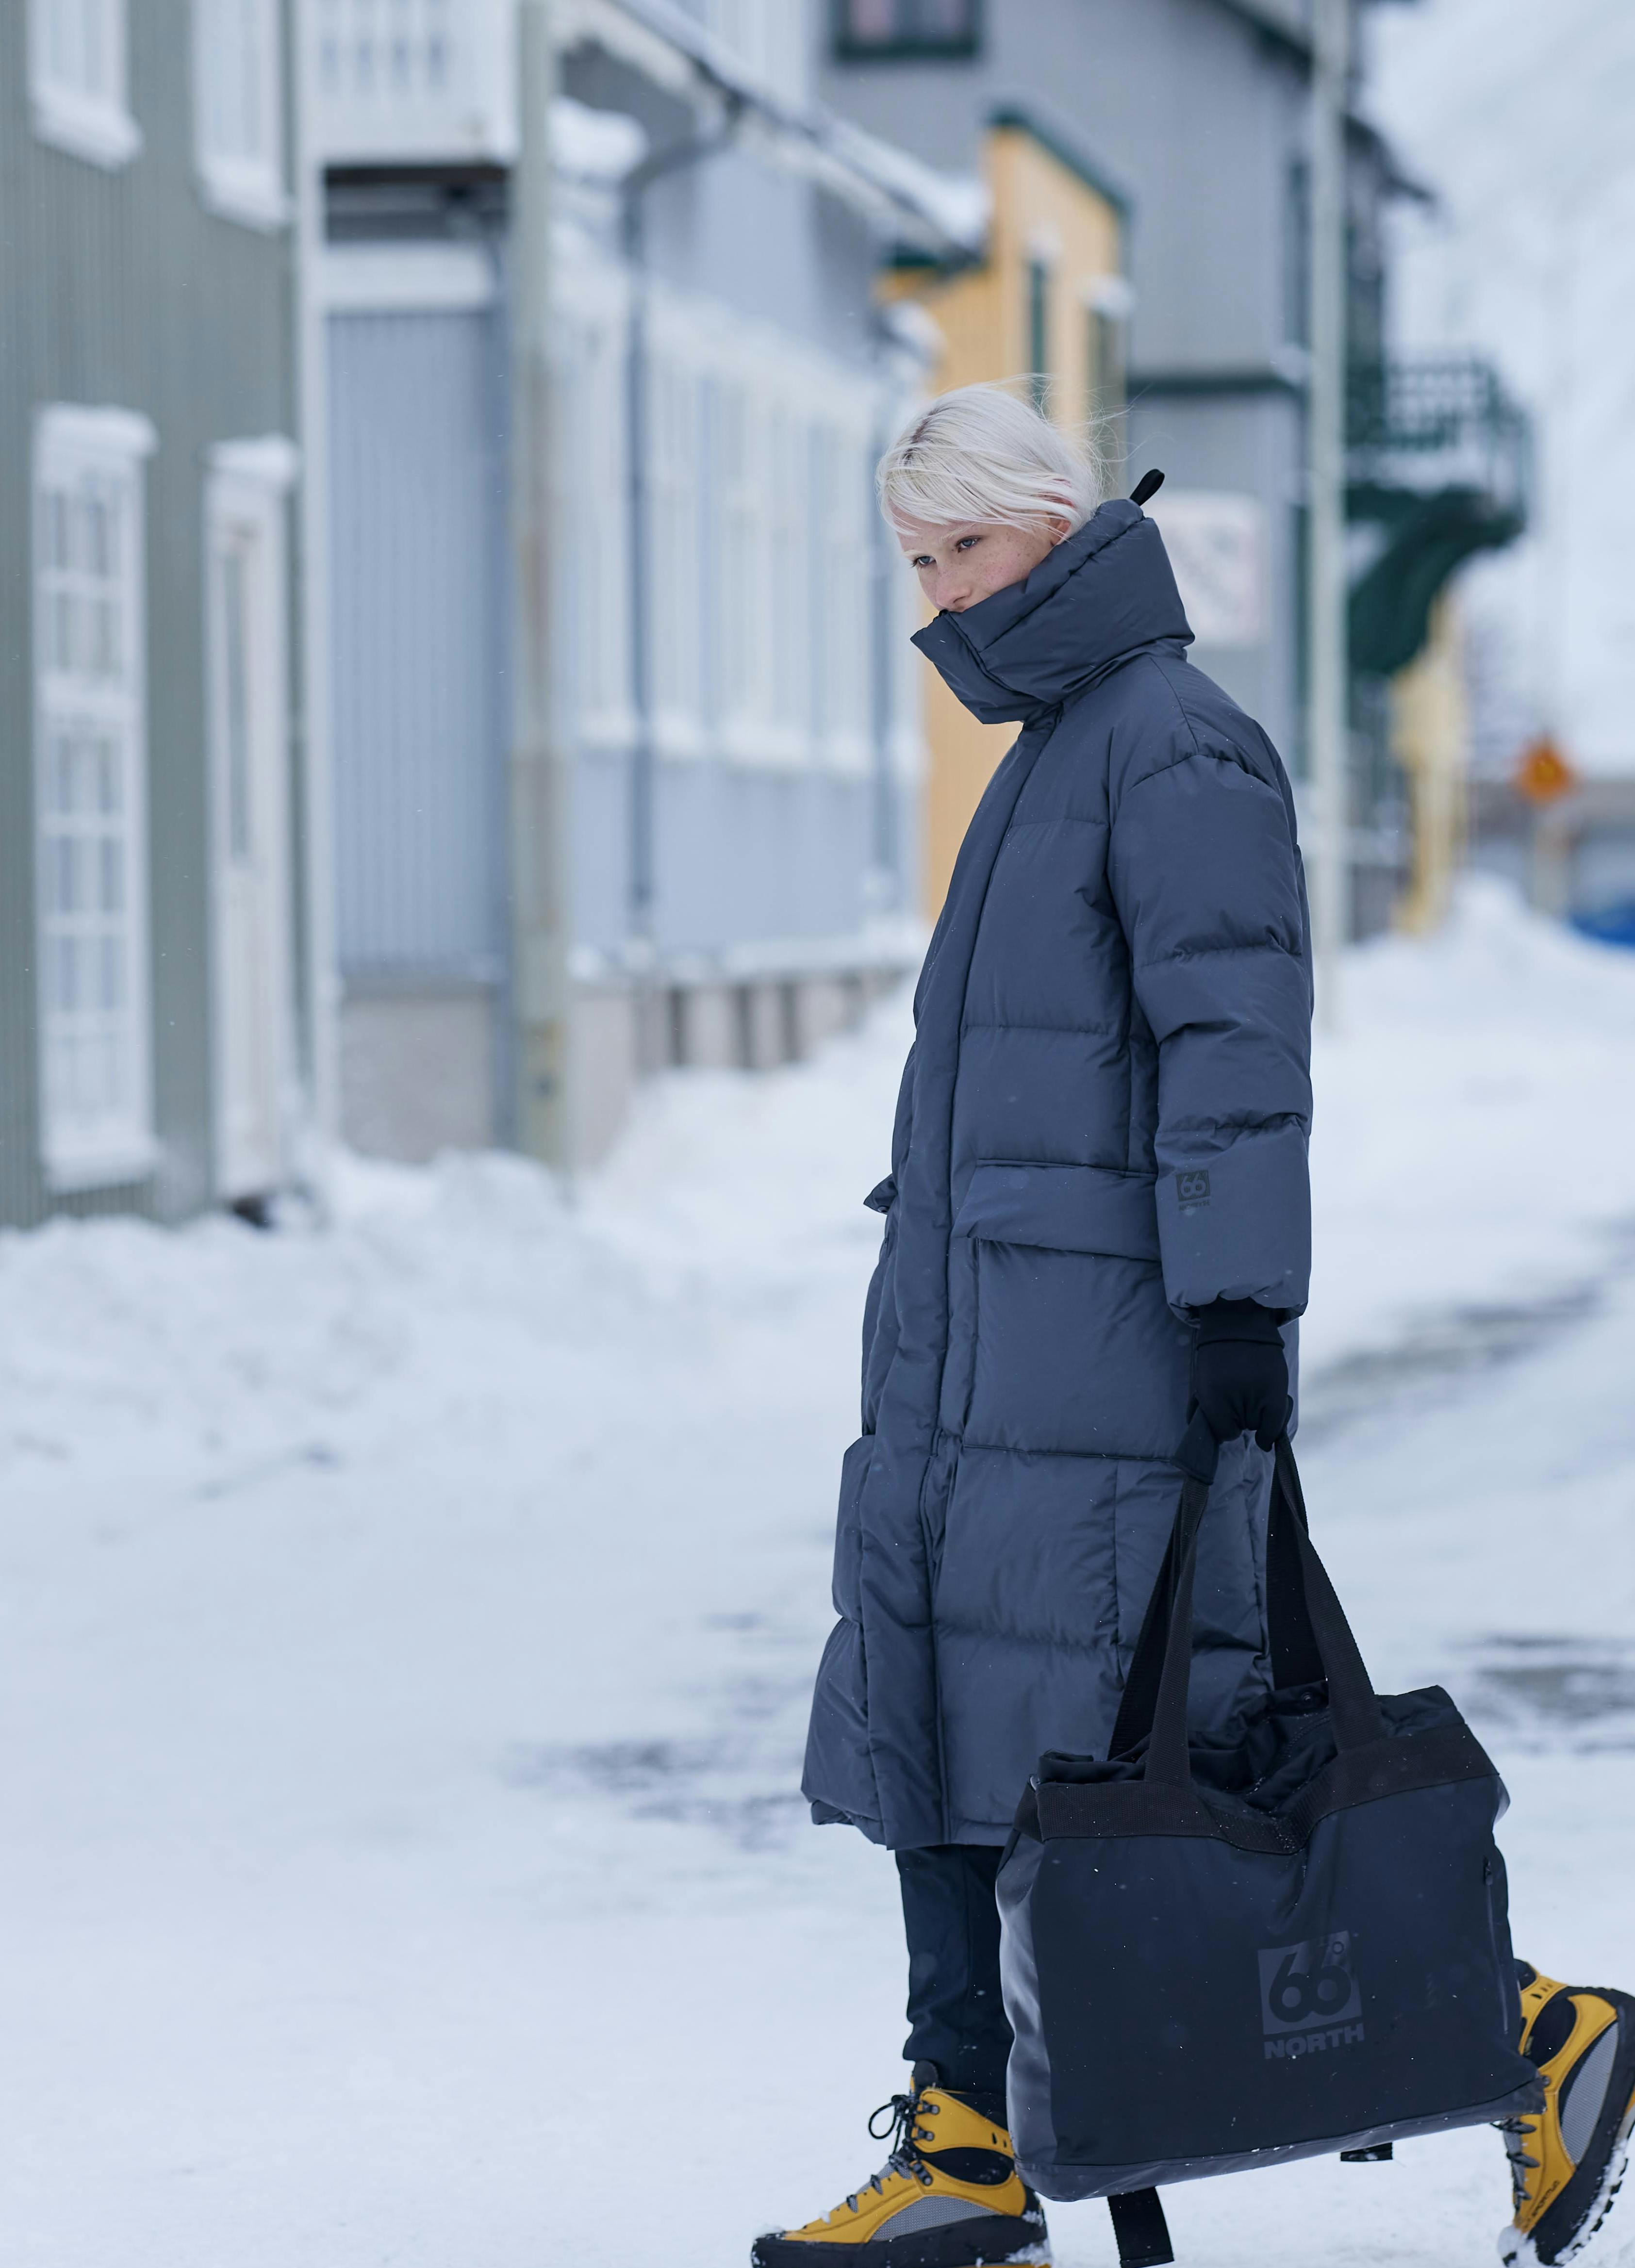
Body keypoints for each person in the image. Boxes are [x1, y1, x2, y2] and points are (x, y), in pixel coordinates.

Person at [751, 386, 1635, 2268]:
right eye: (914, 569)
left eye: (960, 554)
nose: (939, 605)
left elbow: (1238, 1056)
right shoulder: (1061, 751)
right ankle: (972, 2136)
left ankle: (1538, 2028)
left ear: (1052, 528)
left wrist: (1241, 1307)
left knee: (1189, 1785)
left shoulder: (1173, 748)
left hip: (1117, 1372)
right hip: (981, 1374)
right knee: (958, 1735)